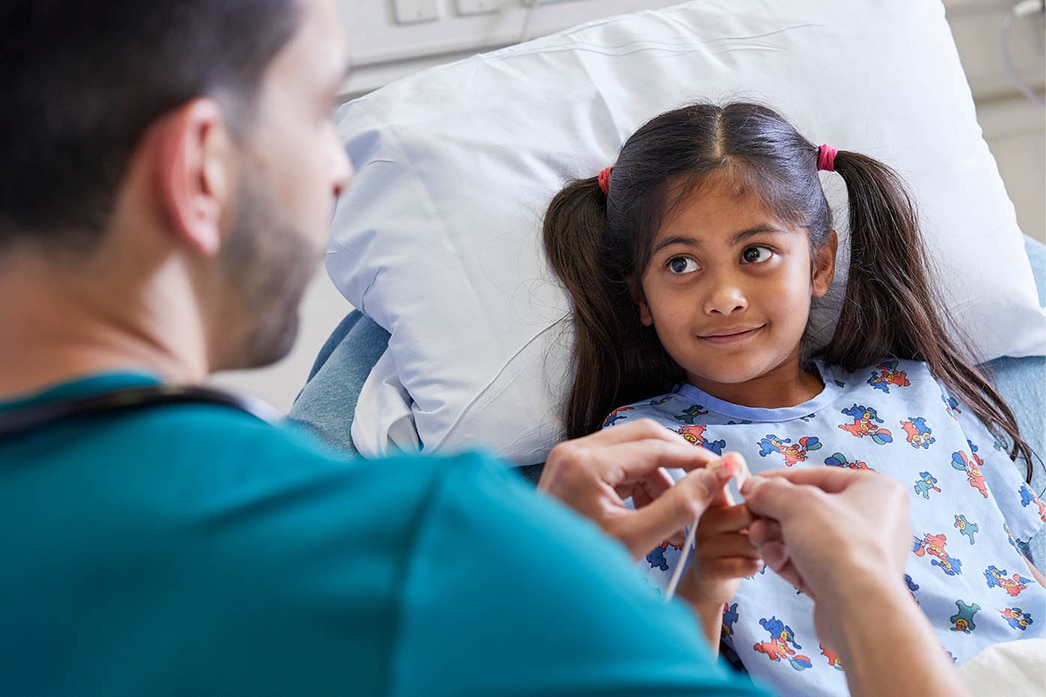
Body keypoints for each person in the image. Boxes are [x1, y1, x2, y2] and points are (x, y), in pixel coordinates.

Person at [0, 2, 972, 695]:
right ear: (201, 168)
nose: (337, 171)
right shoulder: (421, 546)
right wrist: (858, 589)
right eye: (314, 113)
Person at [543, 101, 1046, 694]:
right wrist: (704, 581)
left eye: (755, 254)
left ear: (820, 264)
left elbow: (1027, 555)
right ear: (641, 299)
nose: (724, 296)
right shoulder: (637, 457)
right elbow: (663, 671)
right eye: (681, 264)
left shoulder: (916, 392)